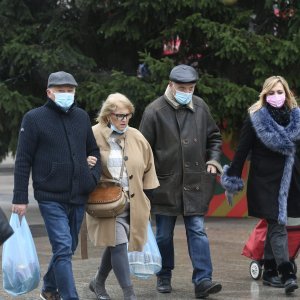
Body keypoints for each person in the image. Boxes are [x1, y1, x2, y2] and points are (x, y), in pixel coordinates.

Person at [12, 71, 101, 300]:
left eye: (70, 91)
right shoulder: (33, 119)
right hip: (50, 196)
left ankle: (49, 288)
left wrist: (91, 177)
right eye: (61, 91)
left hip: (78, 193)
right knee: (62, 247)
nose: (66, 95)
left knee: (67, 248)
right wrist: (19, 198)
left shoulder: (81, 117)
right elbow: (23, 160)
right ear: (49, 92)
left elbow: (93, 151)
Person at [139, 64, 223, 299]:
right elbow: (142, 150)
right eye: (182, 87)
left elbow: (214, 137)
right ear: (171, 85)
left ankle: (203, 280)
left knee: (197, 230)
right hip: (164, 185)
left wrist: (213, 160)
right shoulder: (154, 111)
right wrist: (145, 181)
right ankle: (164, 275)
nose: (187, 91)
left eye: (191, 87)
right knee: (163, 234)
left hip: (195, 183)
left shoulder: (201, 107)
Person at [221, 75, 300, 295]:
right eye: (272, 93)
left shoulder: (296, 118)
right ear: (265, 95)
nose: (276, 96)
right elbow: (241, 151)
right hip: (265, 182)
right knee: (277, 224)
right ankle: (287, 273)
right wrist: (232, 179)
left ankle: (269, 271)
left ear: (287, 93)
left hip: (290, 181)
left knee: (277, 223)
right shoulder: (256, 119)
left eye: (280, 92)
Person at [86, 92, 159, 300]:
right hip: (107, 202)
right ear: (108, 115)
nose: (124, 119)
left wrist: (148, 198)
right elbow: (81, 162)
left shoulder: (136, 136)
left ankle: (98, 282)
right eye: (119, 115)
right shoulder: (92, 134)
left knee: (115, 244)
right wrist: (86, 164)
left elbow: (149, 167)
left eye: (128, 115)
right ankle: (129, 294)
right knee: (118, 245)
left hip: (133, 203)